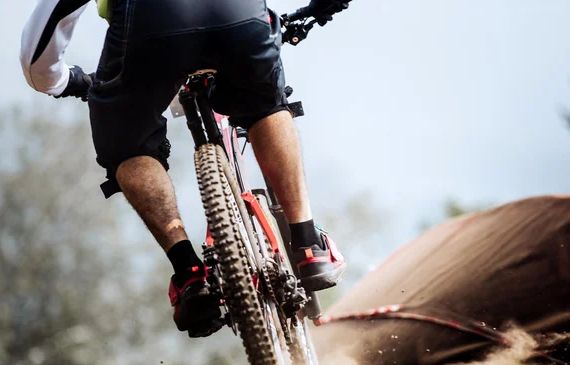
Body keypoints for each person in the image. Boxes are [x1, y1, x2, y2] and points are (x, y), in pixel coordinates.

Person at [19, 0, 349, 337]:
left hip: (153, 26)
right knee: (264, 104)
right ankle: (309, 244)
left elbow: (40, 48)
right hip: (236, 14)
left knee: (126, 144)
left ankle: (189, 275)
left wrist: (62, 81)